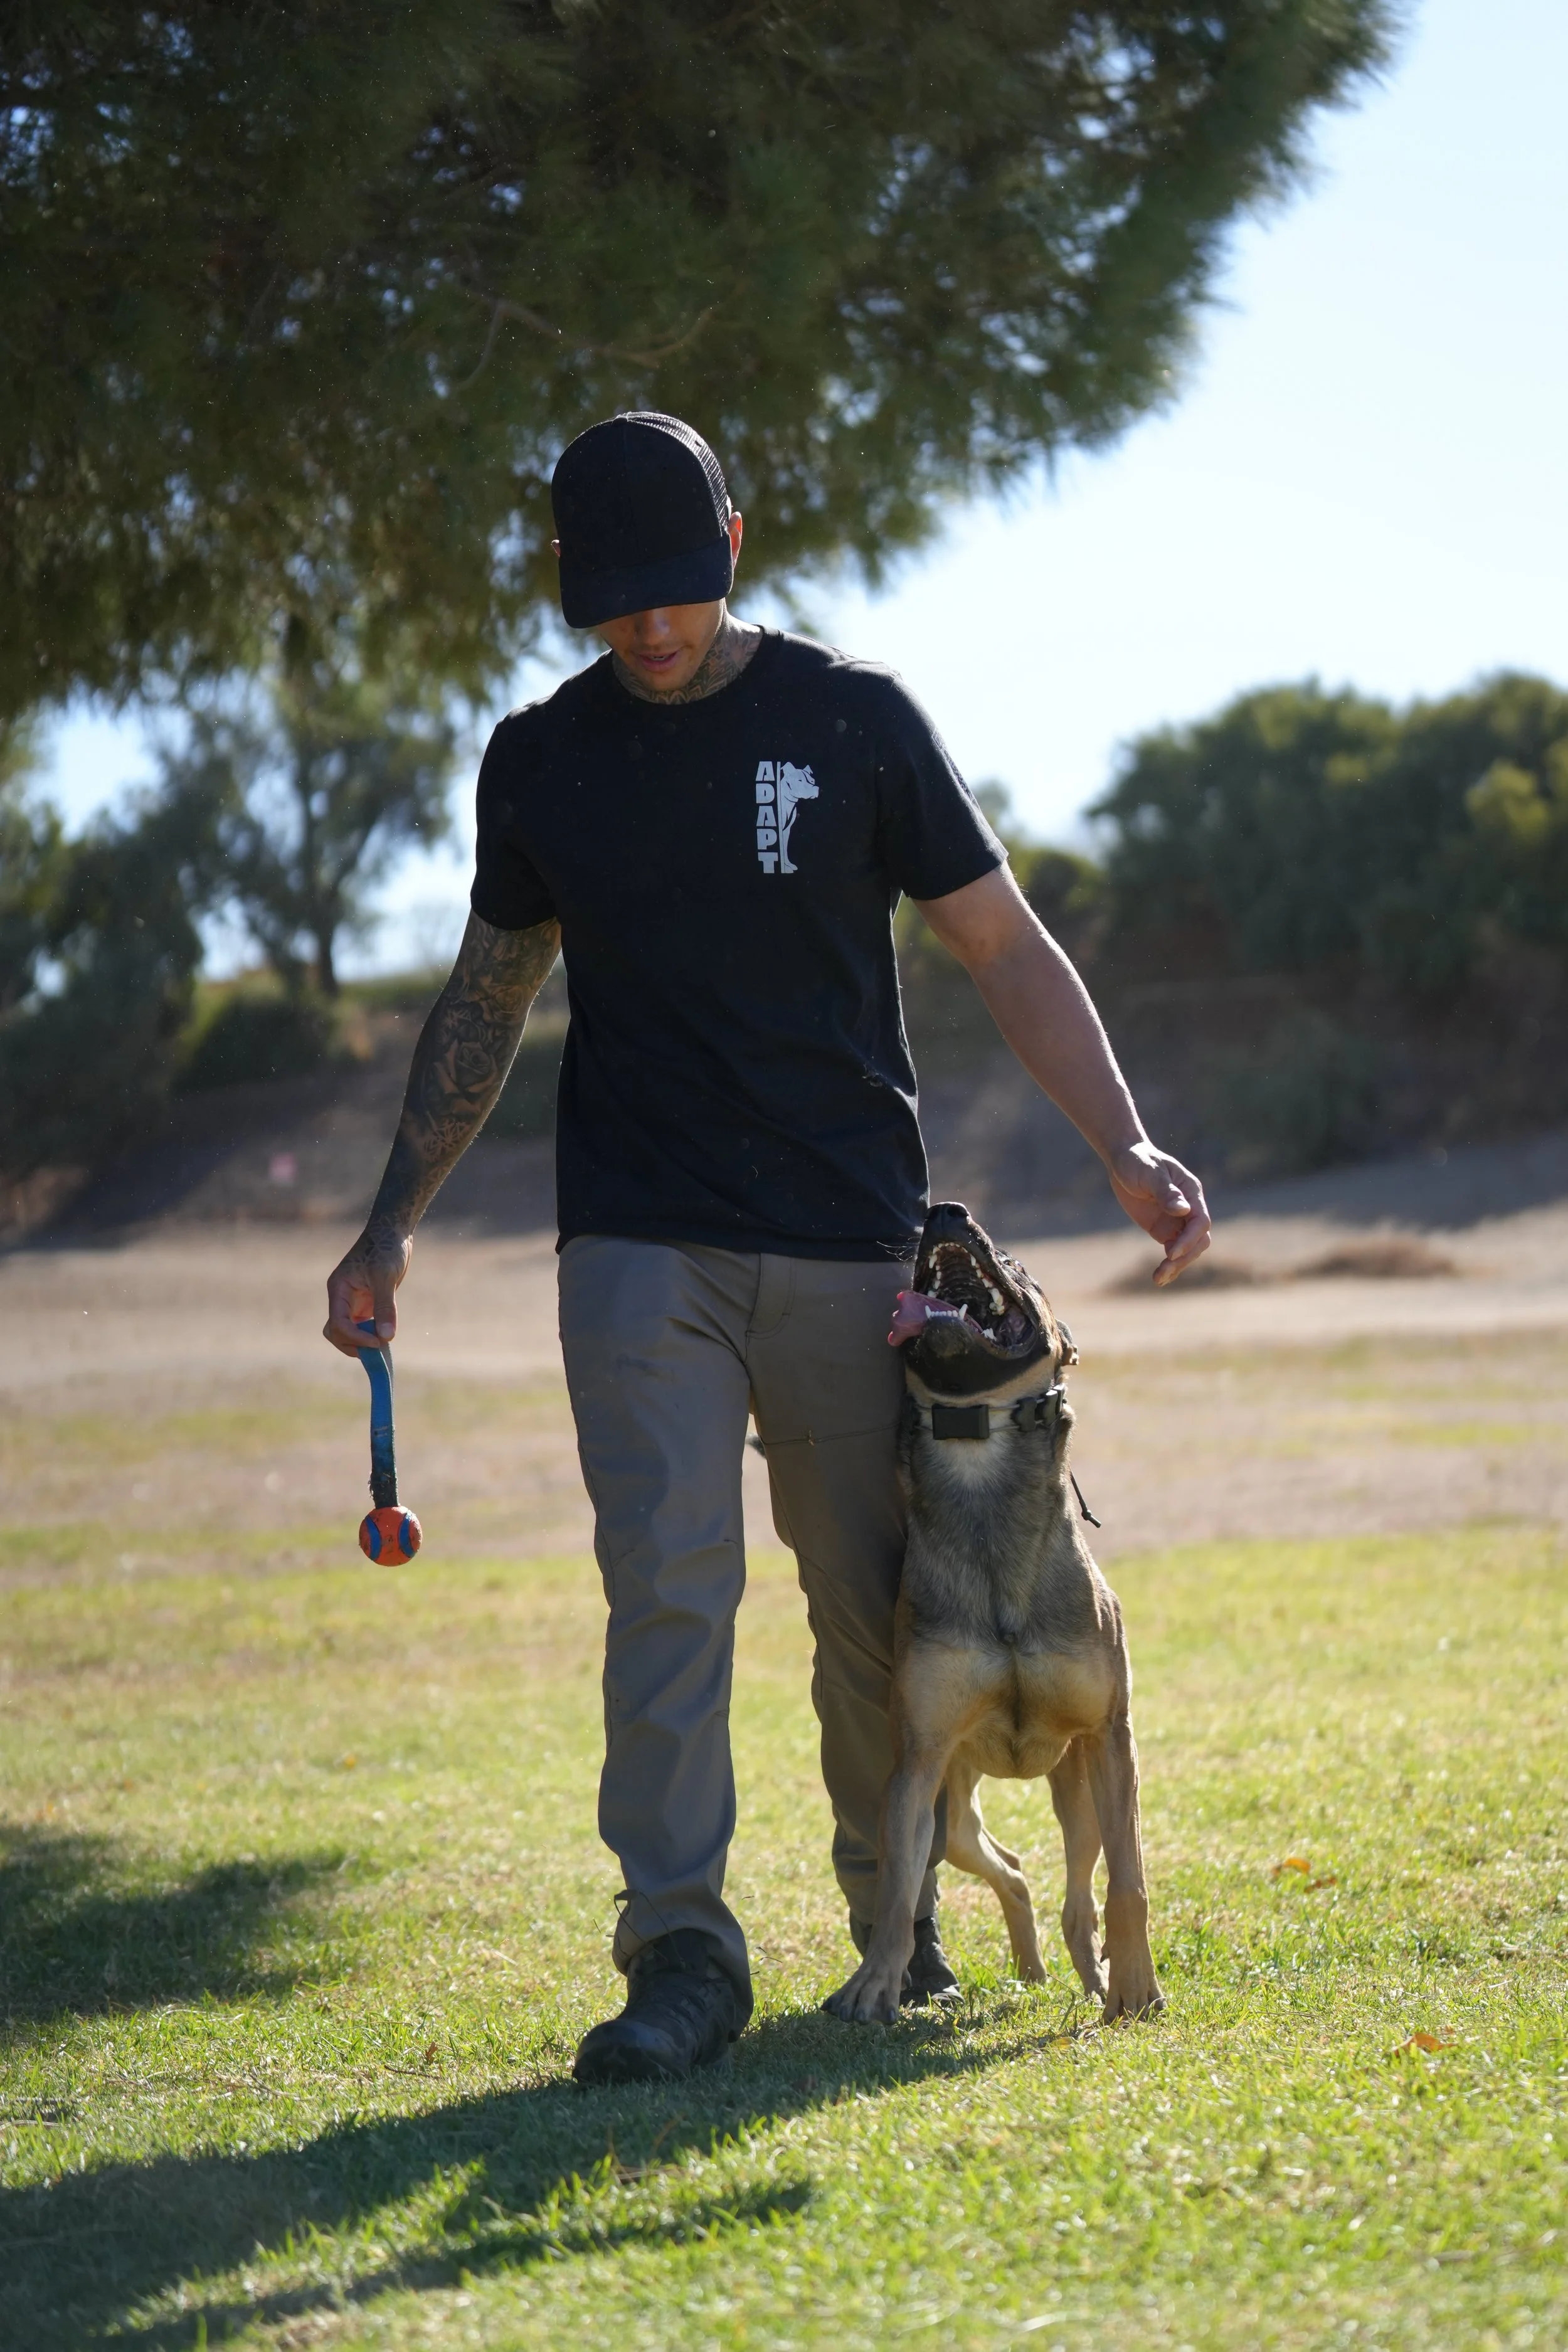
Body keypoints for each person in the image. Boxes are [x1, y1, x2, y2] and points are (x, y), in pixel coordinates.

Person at [324, 410, 1210, 2087]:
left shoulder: (852, 720)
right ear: (572, 591)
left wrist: (1124, 1138)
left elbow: (1000, 943)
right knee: (665, 1584)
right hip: (638, 1236)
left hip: (840, 1233)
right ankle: (678, 1949)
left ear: (730, 550)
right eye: (612, 603)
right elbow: (485, 997)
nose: (647, 630)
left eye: (671, 591)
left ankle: (899, 1917)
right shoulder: (543, 758)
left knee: (869, 1598)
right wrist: (390, 1222)